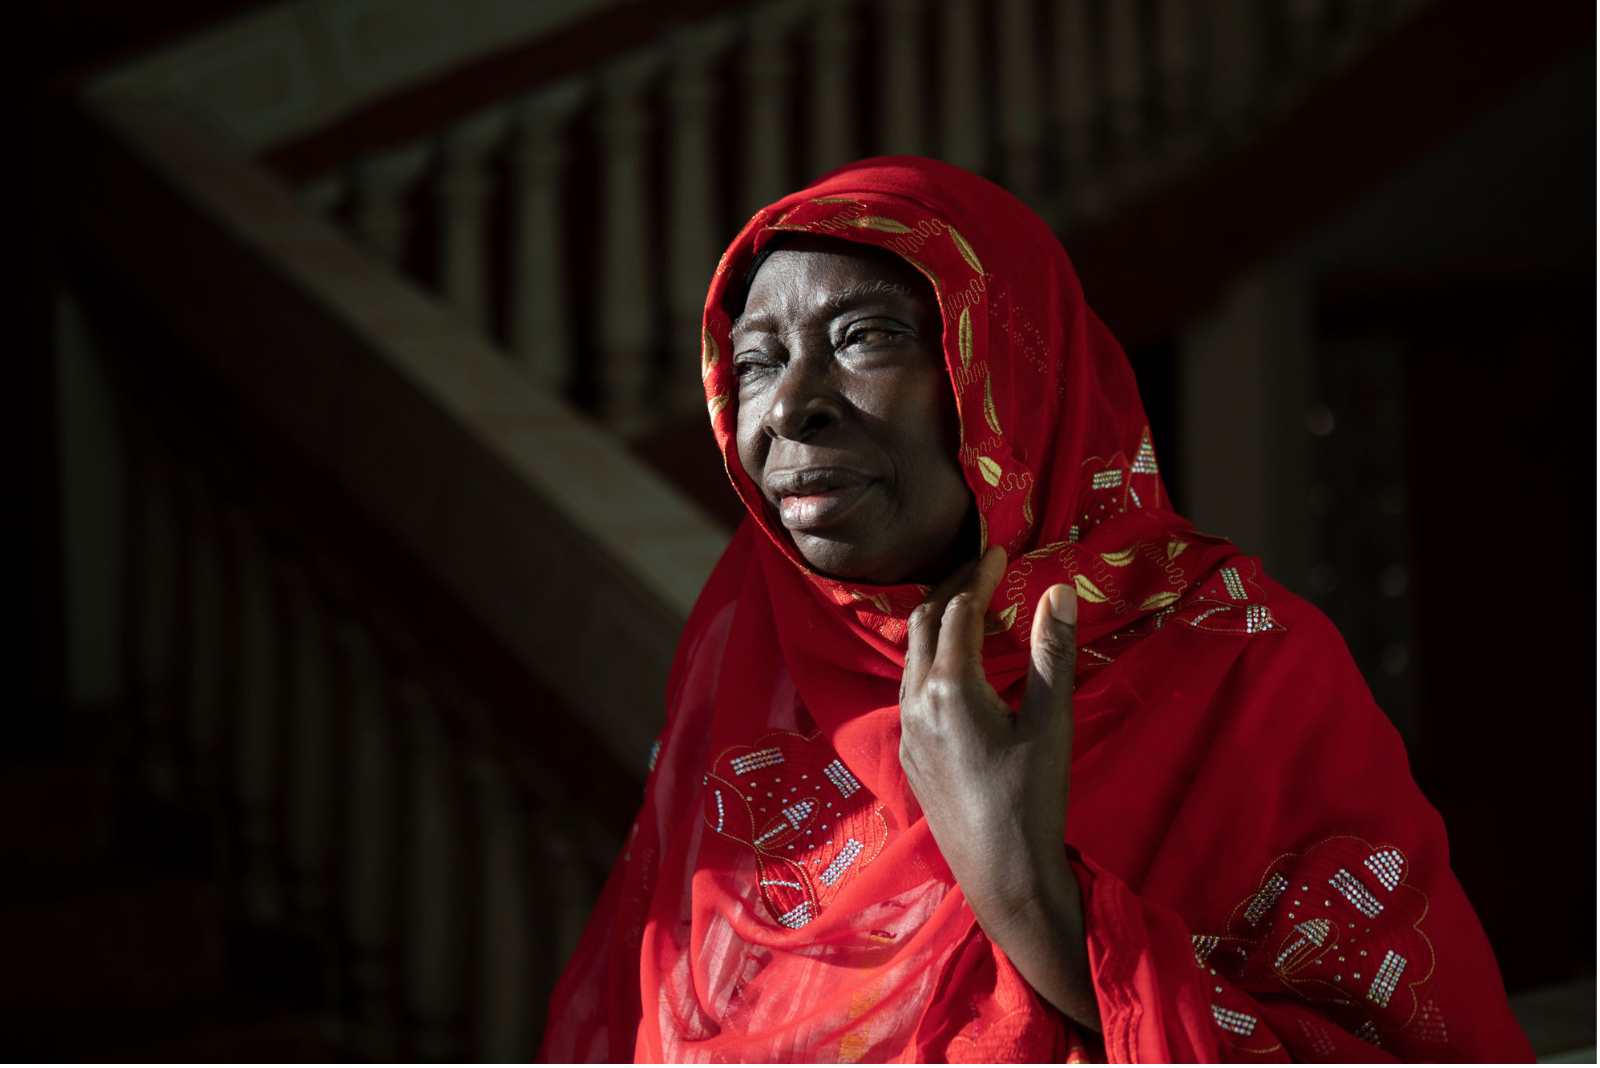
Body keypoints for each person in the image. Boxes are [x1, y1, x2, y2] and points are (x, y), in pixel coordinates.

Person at [540, 157, 1532, 1062]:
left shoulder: (1239, 663)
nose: (792, 404)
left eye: (865, 336)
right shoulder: (747, 663)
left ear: (1010, 371)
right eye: (754, 360)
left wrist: (1022, 887)